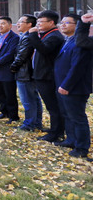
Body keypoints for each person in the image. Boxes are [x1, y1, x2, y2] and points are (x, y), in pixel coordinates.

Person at [54, 14, 93, 159]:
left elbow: (77, 67)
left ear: (77, 26)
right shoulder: (68, 41)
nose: (63, 25)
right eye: (62, 22)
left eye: (67, 23)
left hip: (75, 87)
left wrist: (66, 85)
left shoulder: (80, 44)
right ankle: (71, 140)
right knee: (68, 115)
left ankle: (81, 147)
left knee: (77, 117)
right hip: (63, 85)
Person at [29, 10, 65, 143]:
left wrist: (33, 35)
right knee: (51, 106)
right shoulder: (47, 34)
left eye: (40, 22)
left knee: (53, 106)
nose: (38, 24)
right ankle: (55, 130)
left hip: (47, 76)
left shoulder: (54, 36)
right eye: (37, 22)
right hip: (41, 75)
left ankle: (56, 133)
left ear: (51, 22)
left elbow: (44, 49)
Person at [11, 14, 41, 131]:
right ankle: (36, 122)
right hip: (27, 72)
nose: (18, 24)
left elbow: (22, 55)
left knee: (28, 100)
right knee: (34, 99)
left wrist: (13, 67)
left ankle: (29, 124)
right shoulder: (25, 36)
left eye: (21, 22)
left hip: (25, 73)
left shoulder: (28, 37)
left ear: (29, 24)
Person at [0, 16, 19, 123]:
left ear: (10, 25)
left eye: (3, 23)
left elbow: (10, 53)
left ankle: (13, 116)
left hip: (6, 69)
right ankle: (4, 112)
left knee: (9, 94)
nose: (0, 26)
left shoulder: (14, 37)